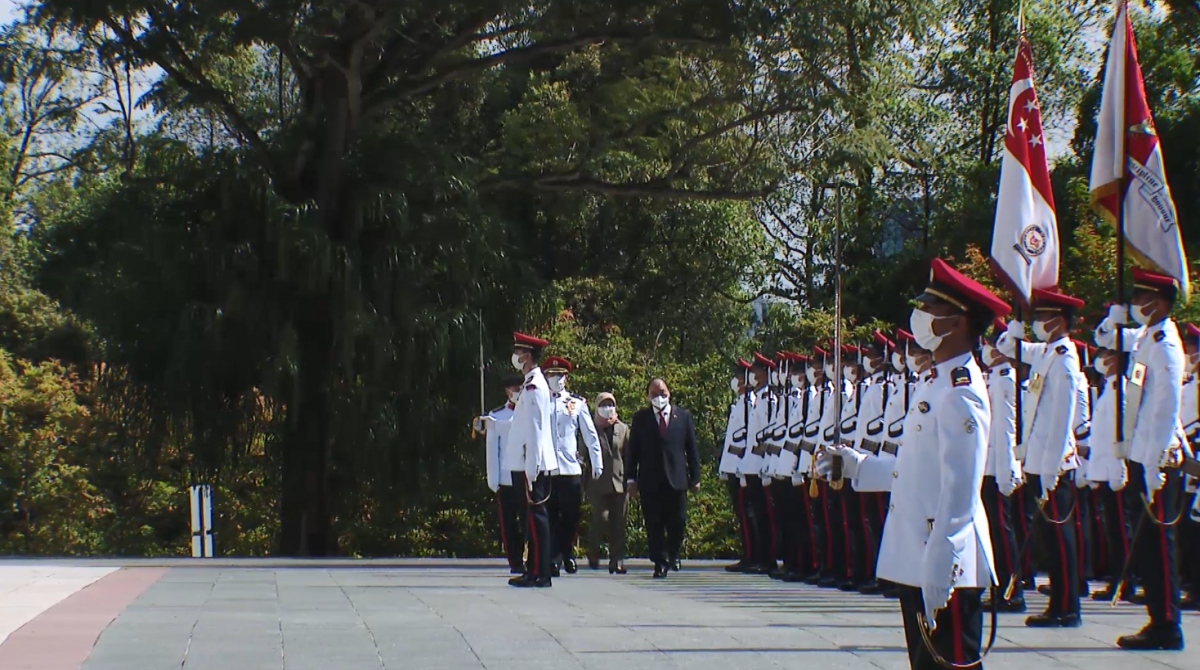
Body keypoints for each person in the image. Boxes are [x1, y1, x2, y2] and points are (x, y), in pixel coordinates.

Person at [819, 258, 1007, 669]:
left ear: (957, 323)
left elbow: (960, 489)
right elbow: (917, 470)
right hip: (919, 554)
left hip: (943, 560)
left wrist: (943, 562)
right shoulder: (935, 381)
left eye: (930, 310)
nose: (919, 317)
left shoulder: (962, 391)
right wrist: (858, 466)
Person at [1094, 267, 1189, 650]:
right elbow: (1103, 339)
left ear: (1159, 302)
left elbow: (1166, 406)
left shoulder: (1164, 342)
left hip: (1158, 459)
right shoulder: (1146, 339)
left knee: (1158, 543)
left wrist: (1153, 463)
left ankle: (1167, 625)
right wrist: (1112, 321)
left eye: (1140, 298)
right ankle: (1157, 617)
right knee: (1148, 543)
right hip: (1140, 453)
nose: (1134, 304)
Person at [996, 288, 1088, 628]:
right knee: (1050, 538)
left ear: (1059, 322)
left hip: (1055, 465)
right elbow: (1007, 348)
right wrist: (1015, 330)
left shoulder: (1064, 358)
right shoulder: (1047, 353)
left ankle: (1067, 608)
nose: (1036, 323)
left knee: (1060, 539)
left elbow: (1063, 419)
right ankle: (1058, 605)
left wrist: (1051, 469)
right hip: (1038, 461)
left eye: (1042, 317)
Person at [626, 378, 701, 578]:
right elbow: (633, 451)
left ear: (669, 393)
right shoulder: (641, 418)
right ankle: (659, 561)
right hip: (650, 479)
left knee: (678, 520)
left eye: (663, 393)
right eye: (654, 393)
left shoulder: (683, 416)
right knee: (654, 523)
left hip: (677, 479)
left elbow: (691, 449)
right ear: (648, 395)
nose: (659, 397)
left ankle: (674, 555)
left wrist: (696, 477)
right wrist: (631, 479)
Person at [978, 319, 1026, 612]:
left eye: (988, 344)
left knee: (1001, 529)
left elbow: (1007, 428)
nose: (984, 349)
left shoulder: (1006, 378)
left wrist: (1008, 469)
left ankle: (1011, 590)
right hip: (988, 464)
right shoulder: (994, 377)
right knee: (994, 531)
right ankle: (1000, 588)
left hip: (998, 466)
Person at [542, 356, 603, 575]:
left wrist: (597, 462)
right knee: (549, 515)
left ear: (566, 378)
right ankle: (553, 557)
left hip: (570, 469)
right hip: (547, 467)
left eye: (559, 375)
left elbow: (590, 435)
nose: (555, 379)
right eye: (551, 375)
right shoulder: (539, 401)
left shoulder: (576, 404)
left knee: (570, 515)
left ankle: (566, 553)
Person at [507, 332, 557, 588]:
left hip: (531, 462)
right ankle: (534, 569)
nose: (515, 357)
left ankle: (541, 572)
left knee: (537, 519)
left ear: (526, 355)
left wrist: (532, 467)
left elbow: (536, 429)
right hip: (527, 461)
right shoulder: (530, 383)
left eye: (518, 352)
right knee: (531, 519)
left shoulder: (535, 385)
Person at [1084, 345, 1134, 603]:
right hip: (1104, 469)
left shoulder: (1121, 390)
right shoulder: (1109, 388)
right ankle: (1119, 579)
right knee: (1113, 529)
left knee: (1120, 528)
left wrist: (1118, 467)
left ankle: (1124, 581)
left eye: (1106, 355)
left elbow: (1121, 433)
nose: (1101, 360)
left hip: (1115, 470)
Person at [477, 376, 527, 574]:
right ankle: (515, 560)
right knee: (509, 523)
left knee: (528, 521)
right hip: (506, 477)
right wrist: (493, 479)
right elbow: (492, 449)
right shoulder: (497, 416)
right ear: (507, 391)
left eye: (520, 388)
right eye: (514, 388)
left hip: (526, 476)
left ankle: (531, 558)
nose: (517, 392)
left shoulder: (530, 412)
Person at [738, 353, 779, 574]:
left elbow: (769, 432)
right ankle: (757, 556)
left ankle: (767, 558)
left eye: (755, 372)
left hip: (761, 462)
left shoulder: (769, 399)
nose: (752, 376)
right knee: (754, 512)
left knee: (764, 515)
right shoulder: (759, 398)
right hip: (751, 463)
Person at [586, 392, 630, 574]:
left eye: (610, 404)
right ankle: (593, 553)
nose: (607, 408)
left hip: (620, 481)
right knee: (600, 519)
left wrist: (632, 478)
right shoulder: (591, 428)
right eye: (603, 404)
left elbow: (629, 454)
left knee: (619, 522)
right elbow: (584, 452)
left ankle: (616, 560)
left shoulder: (623, 428)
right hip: (598, 482)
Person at [719, 359, 756, 572]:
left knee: (749, 514)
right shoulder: (740, 403)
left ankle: (754, 556)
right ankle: (748, 555)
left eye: (741, 377)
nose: (737, 381)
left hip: (745, 465)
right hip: (735, 466)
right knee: (742, 514)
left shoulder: (750, 403)